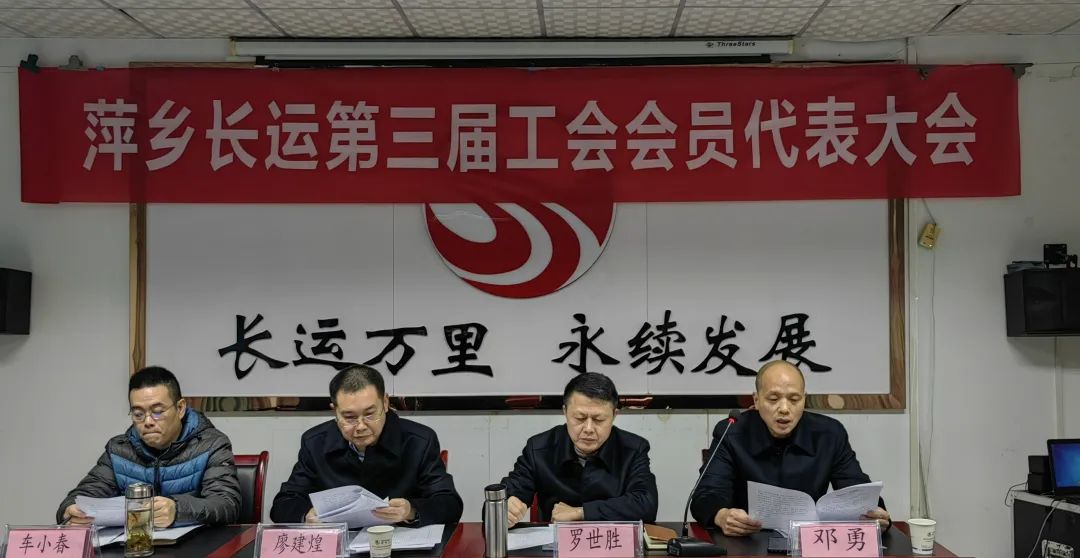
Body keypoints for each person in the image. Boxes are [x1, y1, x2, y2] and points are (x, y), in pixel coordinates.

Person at [691, 360, 891, 536]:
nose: (784, 409)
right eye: (773, 399)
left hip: (808, 542)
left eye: (794, 399)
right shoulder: (732, 431)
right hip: (748, 539)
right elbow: (707, 494)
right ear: (756, 400)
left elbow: (856, 490)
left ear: (804, 399)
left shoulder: (829, 434)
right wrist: (721, 516)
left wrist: (876, 515)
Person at [270, 364, 462, 526]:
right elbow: (283, 503)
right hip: (340, 546)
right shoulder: (315, 443)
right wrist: (306, 516)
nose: (361, 426)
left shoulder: (419, 441)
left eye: (370, 414)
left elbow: (449, 503)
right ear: (334, 411)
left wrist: (411, 510)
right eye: (350, 417)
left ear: (385, 403)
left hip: (399, 544)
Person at [57, 366, 240, 527]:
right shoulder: (119, 450)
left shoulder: (211, 445)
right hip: (133, 545)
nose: (148, 421)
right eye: (138, 414)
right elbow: (82, 495)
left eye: (158, 412)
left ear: (180, 408)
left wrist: (177, 510)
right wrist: (70, 510)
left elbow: (226, 504)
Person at [499, 373, 658, 526]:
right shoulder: (539, 448)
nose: (588, 429)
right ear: (565, 412)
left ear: (614, 415)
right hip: (555, 542)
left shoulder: (633, 449)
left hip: (612, 541)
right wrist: (507, 506)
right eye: (580, 418)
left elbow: (646, 504)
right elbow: (510, 492)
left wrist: (582, 512)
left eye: (598, 419)